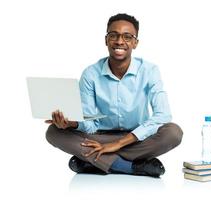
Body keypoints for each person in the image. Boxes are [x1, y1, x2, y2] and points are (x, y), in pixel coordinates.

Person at [45, 13, 183, 177]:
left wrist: (118, 144)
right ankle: (129, 166)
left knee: (173, 133)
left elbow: (163, 115)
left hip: (137, 138)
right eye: (113, 35)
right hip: (100, 138)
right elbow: (90, 123)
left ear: (135, 43)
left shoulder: (149, 71)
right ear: (106, 40)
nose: (119, 41)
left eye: (127, 37)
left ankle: (92, 161)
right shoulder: (90, 74)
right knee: (53, 132)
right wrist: (72, 124)